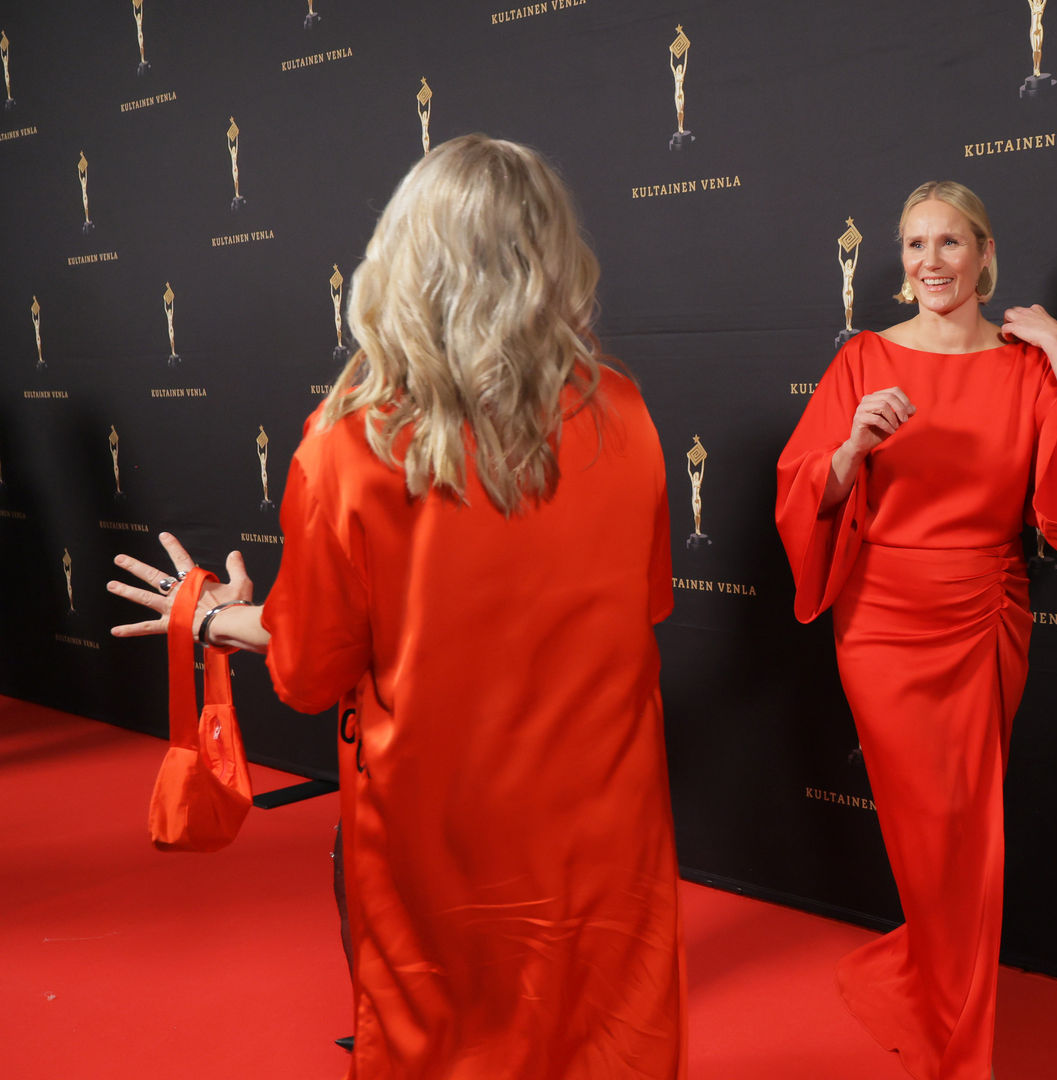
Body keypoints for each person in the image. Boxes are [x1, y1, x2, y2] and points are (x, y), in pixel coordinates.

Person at [107, 134, 686, 1079]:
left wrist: (209, 616)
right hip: (602, 821)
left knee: (441, 1046)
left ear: (404, 257)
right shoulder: (624, 411)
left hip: (434, 825)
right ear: (555, 256)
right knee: (599, 1040)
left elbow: (309, 671)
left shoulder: (347, 444)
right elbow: (641, 604)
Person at [775, 180, 1057, 1080]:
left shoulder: (1027, 365)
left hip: (983, 616)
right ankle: (939, 990)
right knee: (921, 830)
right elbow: (805, 488)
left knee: (969, 829)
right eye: (914, 244)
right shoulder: (864, 358)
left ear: (984, 253)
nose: (930, 261)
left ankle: (956, 1026)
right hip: (881, 622)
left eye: (949, 242)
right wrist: (853, 446)